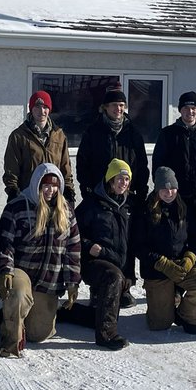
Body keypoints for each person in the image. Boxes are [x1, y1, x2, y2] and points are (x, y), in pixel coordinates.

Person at [0, 162, 81, 358]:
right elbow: (5, 242)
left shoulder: (66, 211)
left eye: (54, 185)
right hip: (22, 272)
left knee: (39, 334)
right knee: (17, 293)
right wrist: (6, 269)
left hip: (48, 280)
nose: (50, 190)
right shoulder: (18, 206)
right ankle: (9, 342)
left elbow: (73, 248)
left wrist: (72, 282)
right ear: (37, 185)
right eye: (46, 185)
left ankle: (15, 315)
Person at [76, 87, 148, 302]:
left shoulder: (133, 133)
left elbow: (142, 165)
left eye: (122, 105)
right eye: (115, 105)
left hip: (126, 195)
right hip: (99, 195)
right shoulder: (93, 132)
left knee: (125, 238)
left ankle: (124, 285)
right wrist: (87, 189)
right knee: (103, 237)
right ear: (105, 107)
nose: (119, 109)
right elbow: (82, 163)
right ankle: (99, 285)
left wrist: (140, 191)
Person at [137, 166, 196, 334]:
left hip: (182, 265)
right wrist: (163, 263)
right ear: (157, 189)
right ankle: (169, 298)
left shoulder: (184, 208)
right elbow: (138, 247)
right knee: (159, 324)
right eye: (164, 189)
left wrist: (189, 258)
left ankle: (187, 315)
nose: (169, 192)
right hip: (157, 270)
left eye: (172, 188)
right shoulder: (145, 211)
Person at [70, 159, 134, 351]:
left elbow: (133, 242)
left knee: (101, 312)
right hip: (94, 262)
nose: (123, 183)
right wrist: (89, 245)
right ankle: (107, 335)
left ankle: (70, 312)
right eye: (119, 178)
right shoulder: (91, 205)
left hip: (118, 263)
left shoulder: (128, 206)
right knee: (112, 277)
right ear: (110, 180)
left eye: (126, 179)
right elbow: (74, 233)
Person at [152, 90, 196, 232]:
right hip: (177, 196)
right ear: (180, 110)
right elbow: (158, 164)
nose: (190, 111)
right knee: (178, 233)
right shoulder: (168, 134)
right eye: (186, 108)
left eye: (193, 108)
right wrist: (163, 189)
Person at [2, 90, 76, 203]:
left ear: (49, 109)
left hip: (53, 195)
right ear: (31, 109)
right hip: (29, 196)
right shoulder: (19, 136)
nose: (41, 111)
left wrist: (68, 189)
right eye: (37, 107)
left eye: (45, 107)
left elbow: (65, 166)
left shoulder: (59, 135)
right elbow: (11, 168)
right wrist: (13, 190)